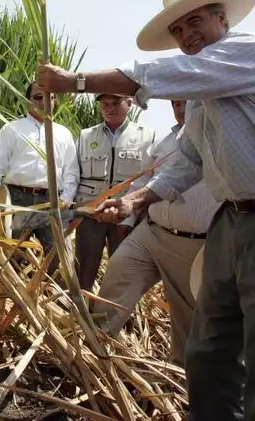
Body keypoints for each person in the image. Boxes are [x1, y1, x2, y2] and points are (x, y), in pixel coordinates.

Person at [35, 0, 255, 420]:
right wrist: (134, 201)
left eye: (195, 21)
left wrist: (75, 81)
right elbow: (188, 161)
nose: (186, 34)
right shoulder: (198, 99)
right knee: (209, 348)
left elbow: (156, 75)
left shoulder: (249, 51)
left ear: (222, 19)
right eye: (177, 29)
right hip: (234, 222)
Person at [92, 99, 221, 366]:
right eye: (175, 104)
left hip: (193, 245)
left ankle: (182, 376)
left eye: (185, 103)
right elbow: (143, 179)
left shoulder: (218, 142)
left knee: (188, 319)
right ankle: (93, 351)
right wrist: (127, 221)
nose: (180, 110)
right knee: (117, 275)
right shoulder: (163, 143)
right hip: (150, 234)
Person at [0, 82, 80, 279]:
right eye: (38, 97)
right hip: (18, 200)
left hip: (53, 203)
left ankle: (53, 297)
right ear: (28, 100)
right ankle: (11, 295)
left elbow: (71, 171)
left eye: (50, 98)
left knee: (58, 259)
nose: (44, 102)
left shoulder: (64, 133)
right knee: (12, 256)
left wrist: (66, 198)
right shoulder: (12, 129)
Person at [73, 94, 155, 292]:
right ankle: (81, 309)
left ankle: (117, 312)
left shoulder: (147, 137)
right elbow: (73, 174)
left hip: (126, 219)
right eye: (105, 104)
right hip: (91, 216)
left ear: (129, 103)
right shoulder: (85, 136)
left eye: (116, 103)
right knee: (83, 273)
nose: (110, 108)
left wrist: (134, 215)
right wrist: (72, 210)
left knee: (124, 277)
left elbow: (150, 180)